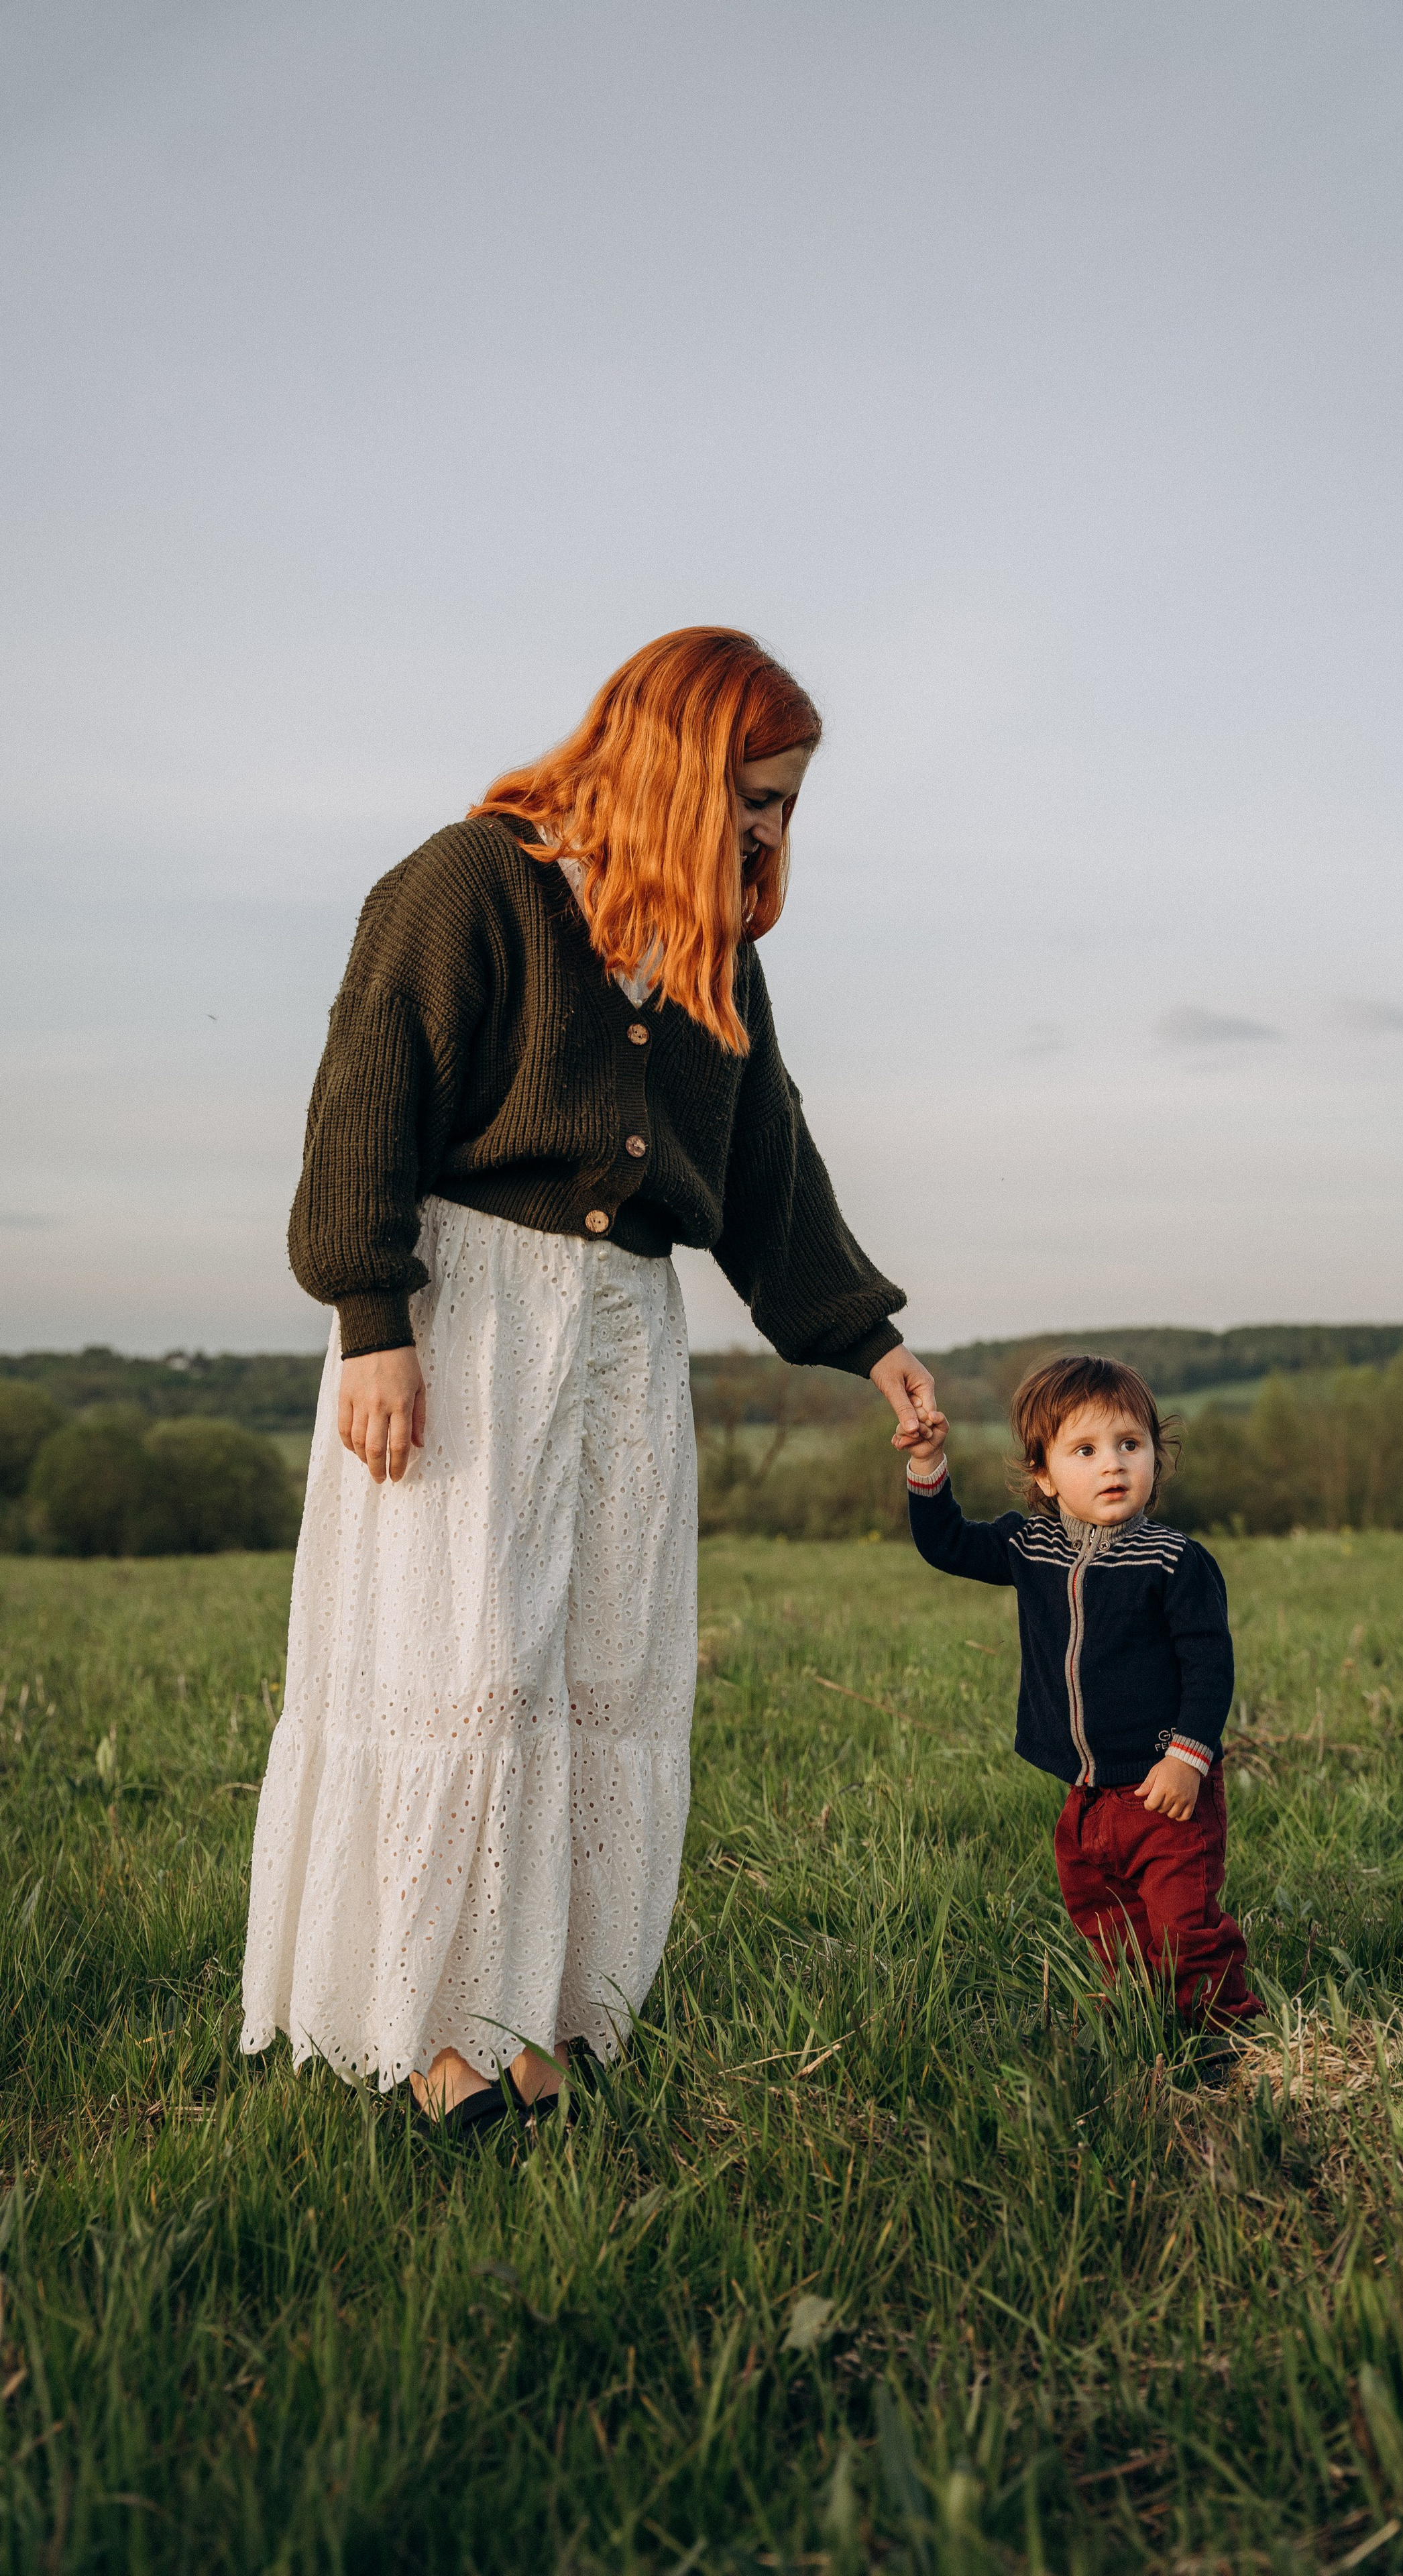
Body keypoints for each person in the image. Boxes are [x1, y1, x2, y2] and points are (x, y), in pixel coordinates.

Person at [240, 628, 938, 2131]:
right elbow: (369, 1092)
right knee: (465, 1657)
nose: (768, 830)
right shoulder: (468, 882)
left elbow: (769, 1170)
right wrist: (373, 1322)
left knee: (595, 1665)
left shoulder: (706, 950)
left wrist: (866, 1338)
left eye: (786, 805)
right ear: (676, 756)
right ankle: (435, 2035)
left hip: (622, 1338)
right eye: (753, 793)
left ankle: (542, 2018)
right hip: (467, 1317)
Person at [899, 1354, 1259, 2040]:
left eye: (1131, 1445)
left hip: (1163, 1791)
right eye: (1085, 1450)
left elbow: (1209, 1666)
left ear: (1157, 1453)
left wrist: (1189, 1757)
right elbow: (944, 1544)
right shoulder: (1025, 1545)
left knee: (1184, 1922)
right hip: (1086, 1796)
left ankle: (1226, 2034)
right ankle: (1144, 2011)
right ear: (1042, 1472)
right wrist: (927, 1463)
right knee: (1102, 1909)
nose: (1113, 1465)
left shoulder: (1173, 1561)